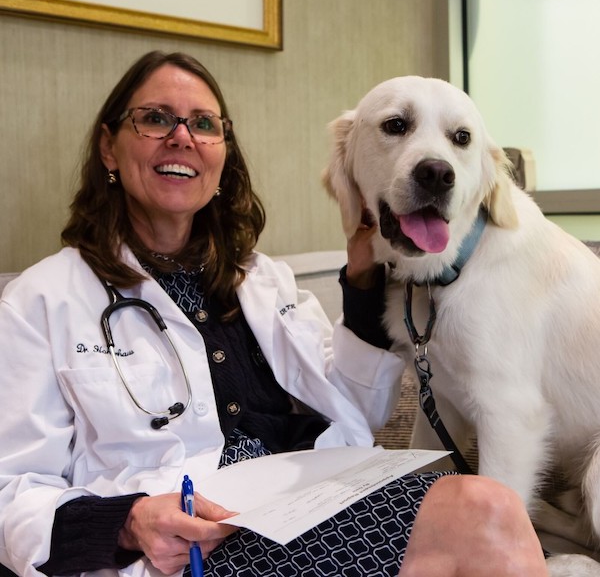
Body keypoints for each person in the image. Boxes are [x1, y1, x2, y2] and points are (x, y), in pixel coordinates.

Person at [0, 50, 548, 577]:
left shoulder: (263, 280)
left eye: (204, 124)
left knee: (488, 506)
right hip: (197, 548)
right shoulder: (40, 302)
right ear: (109, 148)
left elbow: (355, 414)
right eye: (155, 119)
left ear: (221, 154)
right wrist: (126, 523)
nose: (182, 137)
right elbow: (10, 490)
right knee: (483, 516)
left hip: (313, 506)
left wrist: (361, 278)